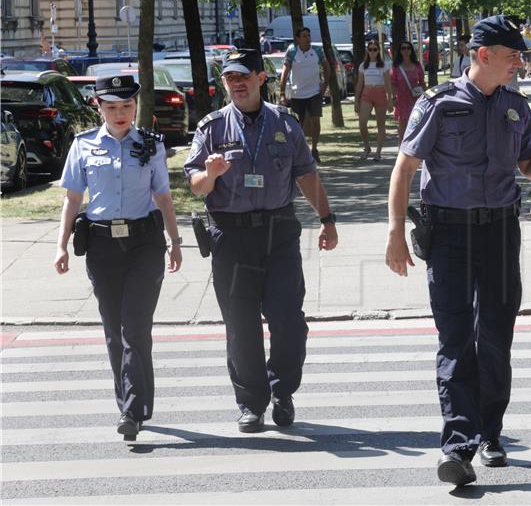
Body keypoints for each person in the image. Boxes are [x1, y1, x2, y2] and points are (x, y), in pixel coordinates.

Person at [385, 15, 531, 487]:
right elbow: (405, 167)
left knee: (495, 335)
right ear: (483, 54)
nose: (519, 62)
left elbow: (529, 167)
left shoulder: (515, 105)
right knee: (456, 340)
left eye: (520, 54)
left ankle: (490, 433)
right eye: (512, 54)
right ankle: (457, 447)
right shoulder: (439, 102)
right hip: (449, 234)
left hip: (499, 231)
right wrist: (394, 232)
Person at [184, 49, 338, 433]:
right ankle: (251, 403)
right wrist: (212, 174)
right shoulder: (212, 128)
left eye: (244, 76)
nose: (236, 84)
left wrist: (327, 219)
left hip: (279, 232)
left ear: (260, 79)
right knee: (241, 324)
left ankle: (282, 392)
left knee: (288, 320)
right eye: (229, 78)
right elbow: (196, 186)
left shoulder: (285, 123)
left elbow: (305, 176)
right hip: (231, 236)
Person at [54, 74, 183, 440]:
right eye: (112, 107)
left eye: (127, 106)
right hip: (102, 246)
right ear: (98, 107)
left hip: (145, 244)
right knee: (114, 331)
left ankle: (132, 409)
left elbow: (163, 197)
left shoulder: (152, 145)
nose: (121, 113)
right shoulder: (82, 146)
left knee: (135, 326)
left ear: (135, 106)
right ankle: (131, 403)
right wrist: (61, 245)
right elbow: (73, 199)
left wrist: (175, 241)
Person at [280, 27, 330, 164]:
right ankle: (300, 151)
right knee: (297, 124)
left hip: (314, 92)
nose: (307, 38)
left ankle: (314, 149)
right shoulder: (292, 52)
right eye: (304, 36)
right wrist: (282, 93)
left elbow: (327, 68)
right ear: (298, 39)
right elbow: (285, 73)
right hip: (297, 93)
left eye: (309, 35)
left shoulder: (317, 51)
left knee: (315, 119)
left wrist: (324, 85)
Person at [354, 40, 393, 161]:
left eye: (375, 49)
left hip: (380, 93)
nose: (372, 52)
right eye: (370, 49)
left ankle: (378, 152)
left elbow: (388, 83)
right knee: (362, 122)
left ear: (378, 51)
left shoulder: (384, 65)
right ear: (367, 51)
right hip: (366, 94)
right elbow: (360, 83)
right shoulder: (363, 66)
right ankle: (367, 147)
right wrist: (356, 100)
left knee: (380, 124)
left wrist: (390, 100)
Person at [390, 40, 426, 143]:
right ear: (400, 51)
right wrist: (393, 97)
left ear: (411, 50)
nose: (406, 50)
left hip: (415, 98)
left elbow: (422, 82)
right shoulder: (396, 66)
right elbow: (393, 83)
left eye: (408, 48)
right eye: (403, 48)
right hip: (401, 98)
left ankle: (414, 144)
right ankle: (402, 145)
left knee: (417, 121)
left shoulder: (417, 65)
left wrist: (426, 95)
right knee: (402, 122)